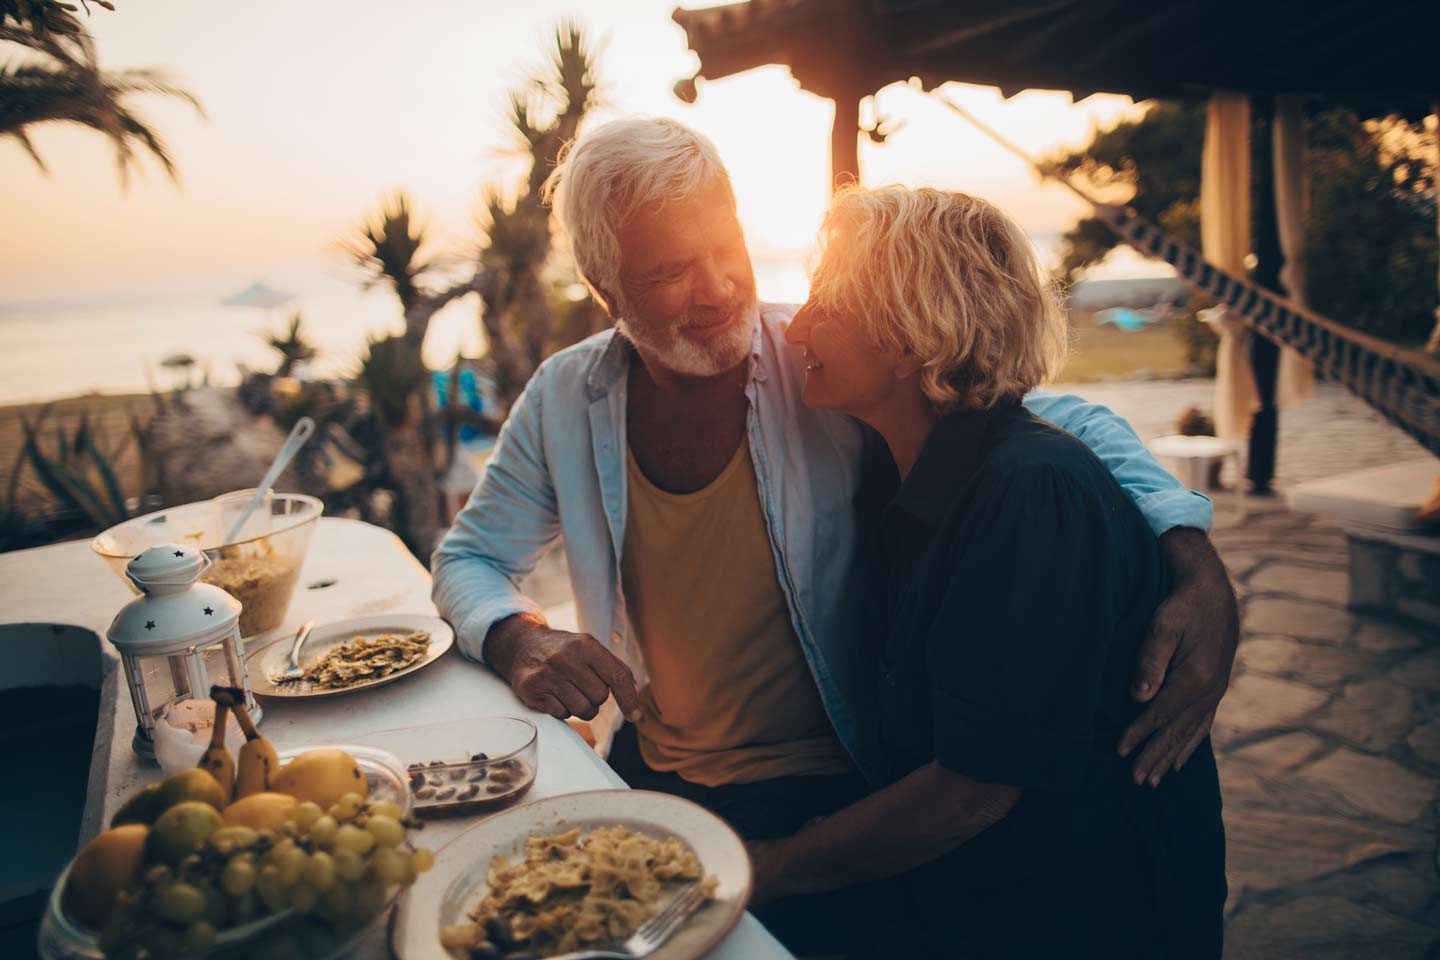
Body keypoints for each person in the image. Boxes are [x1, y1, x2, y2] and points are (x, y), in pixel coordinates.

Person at [429, 116, 1236, 944]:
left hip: (844, 785)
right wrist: (518, 638)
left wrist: (1193, 557)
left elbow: (1038, 419)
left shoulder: (827, 355)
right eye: (670, 270)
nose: (715, 289)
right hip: (659, 776)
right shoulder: (566, 398)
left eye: (725, 246)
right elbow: (472, 557)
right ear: (605, 285)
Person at [748, 185, 1226, 957]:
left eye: (826, 305)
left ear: (908, 337)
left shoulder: (1027, 492)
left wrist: (767, 867)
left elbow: (973, 791)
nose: (796, 326)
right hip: (995, 894)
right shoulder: (910, 462)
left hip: (1088, 915)